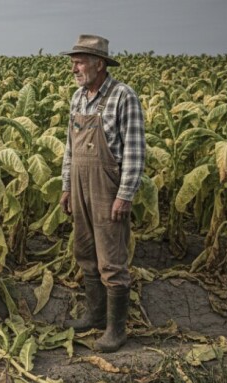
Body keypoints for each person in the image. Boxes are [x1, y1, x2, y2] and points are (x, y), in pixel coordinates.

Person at [59, 34, 146, 353]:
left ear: (99, 64)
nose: (74, 68)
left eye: (79, 61)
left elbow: (135, 152)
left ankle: (115, 329)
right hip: (80, 184)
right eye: (73, 62)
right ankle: (94, 315)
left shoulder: (123, 96)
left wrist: (125, 195)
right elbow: (70, 147)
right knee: (85, 251)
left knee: (112, 258)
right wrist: (66, 185)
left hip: (108, 188)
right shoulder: (78, 97)